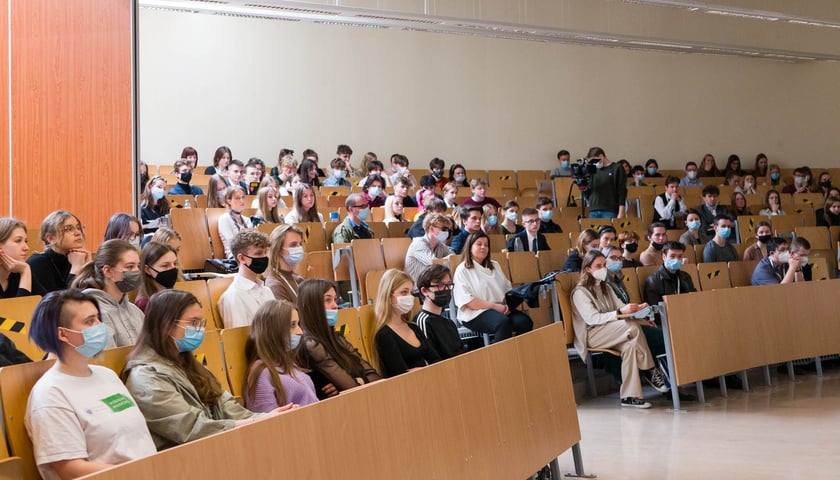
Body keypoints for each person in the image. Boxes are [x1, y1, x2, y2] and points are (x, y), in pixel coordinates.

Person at [124, 290, 293, 450]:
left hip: (215, 447)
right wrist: (255, 422)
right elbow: (191, 428)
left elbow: (228, 406)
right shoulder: (145, 377)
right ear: (166, 325)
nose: (200, 330)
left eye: (201, 323)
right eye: (193, 323)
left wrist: (265, 419)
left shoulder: (190, 364)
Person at [26, 289, 156, 478]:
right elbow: (69, 468)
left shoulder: (107, 375)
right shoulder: (50, 393)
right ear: (63, 334)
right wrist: (135, 474)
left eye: (98, 319)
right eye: (89, 321)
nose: (100, 326)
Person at [571, 250, 666, 409]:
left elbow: (621, 308)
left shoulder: (605, 287)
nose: (603, 268)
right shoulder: (580, 292)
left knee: (630, 346)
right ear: (588, 269)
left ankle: (630, 396)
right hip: (592, 334)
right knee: (632, 328)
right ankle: (650, 368)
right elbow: (593, 319)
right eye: (598, 266)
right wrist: (621, 313)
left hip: (612, 330)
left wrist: (638, 312)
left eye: (604, 265)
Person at [296, 279, 381, 397]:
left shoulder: (337, 337)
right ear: (310, 305)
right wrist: (359, 380)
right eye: (327, 300)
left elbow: (374, 375)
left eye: (335, 299)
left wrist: (362, 381)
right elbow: (352, 388)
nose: (335, 305)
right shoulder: (311, 344)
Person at [453, 232, 532, 343]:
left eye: (486, 245)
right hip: (475, 312)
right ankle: (501, 358)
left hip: (501, 309)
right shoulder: (462, 270)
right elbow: (468, 302)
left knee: (524, 322)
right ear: (470, 247)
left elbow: (507, 289)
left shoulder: (494, 265)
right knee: (502, 323)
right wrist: (495, 306)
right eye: (479, 244)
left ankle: (520, 354)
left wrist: (508, 306)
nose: (483, 247)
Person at [244, 300, 318, 412]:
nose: (300, 332)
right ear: (274, 330)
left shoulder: (289, 363)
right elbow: (266, 421)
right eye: (292, 325)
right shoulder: (261, 373)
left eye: (298, 324)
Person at [71, 239, 144, 348]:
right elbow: (107, 359)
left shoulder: (135, 311)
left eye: (138, 266)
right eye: (129, 267)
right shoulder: (94, 314)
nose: (136, 271)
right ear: (108, 271)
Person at [371, 269, 440, 378]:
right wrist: (427, 369)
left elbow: (436, 361)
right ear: (388, 296)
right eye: (404, 292)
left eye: (411, 292)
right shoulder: (385, 335)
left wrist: (424, 370)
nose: (410, 297)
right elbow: (401, 374)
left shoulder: (414, 327)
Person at [218, 231, 275, 328]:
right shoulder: (234, 296)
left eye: (265, 252)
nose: (264, 257)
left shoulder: (267, 290)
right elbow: (237, 338)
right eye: (258, 253)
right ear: (241, 258)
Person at [27, 210, 91, 295]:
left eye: (78, 228)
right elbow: (58, 304)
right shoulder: (37, 263)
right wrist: (76, 269)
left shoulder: (78, 257)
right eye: (68, 229)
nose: (78, 233)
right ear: (51, 238)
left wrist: (89, 268)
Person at [414, 264, 464, 360]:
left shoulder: (449, 323)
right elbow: (432, 361)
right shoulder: (423, 322)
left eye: (448, 285)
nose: (445, 289)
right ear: (424, 291)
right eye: (440, 285)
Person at [644, 241, 696, 308]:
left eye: (679, 256)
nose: (676, 260)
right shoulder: (653, 281)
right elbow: (655, 310)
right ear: (664, 257)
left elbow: (694, 299)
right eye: (672, 256)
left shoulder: (686, 277)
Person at [404, 213, 453, 283]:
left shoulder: (440, 245)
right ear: (431, 228)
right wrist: (450, 258)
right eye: (444, 229)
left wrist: (451, 258)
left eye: (448, 229)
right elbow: (433, 263)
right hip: (416, 289)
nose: (447, 232)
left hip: (432, 287)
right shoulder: (418, 243)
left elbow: (454, 258)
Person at [265, 224, 305, 305]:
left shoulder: (299, 280)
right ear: (279, 249)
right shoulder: (275, 285)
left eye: (300, 244)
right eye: (293, 245)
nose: (299, 248)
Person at [135, 242, 179, 312]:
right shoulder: (144, 304)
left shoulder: (173, 296)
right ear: (147, 270)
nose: (173, 269)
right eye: (165, 265)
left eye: (175, 263)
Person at [586, 147, 627, 218]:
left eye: (594, 161)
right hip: (593, 209)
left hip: (610, 209)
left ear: (601, 156)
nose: (593, 164)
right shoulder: (592, 170)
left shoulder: (616, 168)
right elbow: (588, 190)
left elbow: (622, 191)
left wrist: (621, 211)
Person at [217, 186, 253, 258]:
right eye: (237, 198)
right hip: (235, 257)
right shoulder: (224, 219)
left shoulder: (247, 220)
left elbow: (252, 240)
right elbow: (233, 244)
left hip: (250, 254)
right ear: (229, 201)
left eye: (243, 197)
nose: (242, 201)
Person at [0, 218, 32, 297]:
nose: (26, 248)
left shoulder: (21, 269)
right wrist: (25, 271)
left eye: (26, 241)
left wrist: (25, 271)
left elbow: (48, 305)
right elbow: (21, 308)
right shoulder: (24, 270)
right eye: (18, 241)